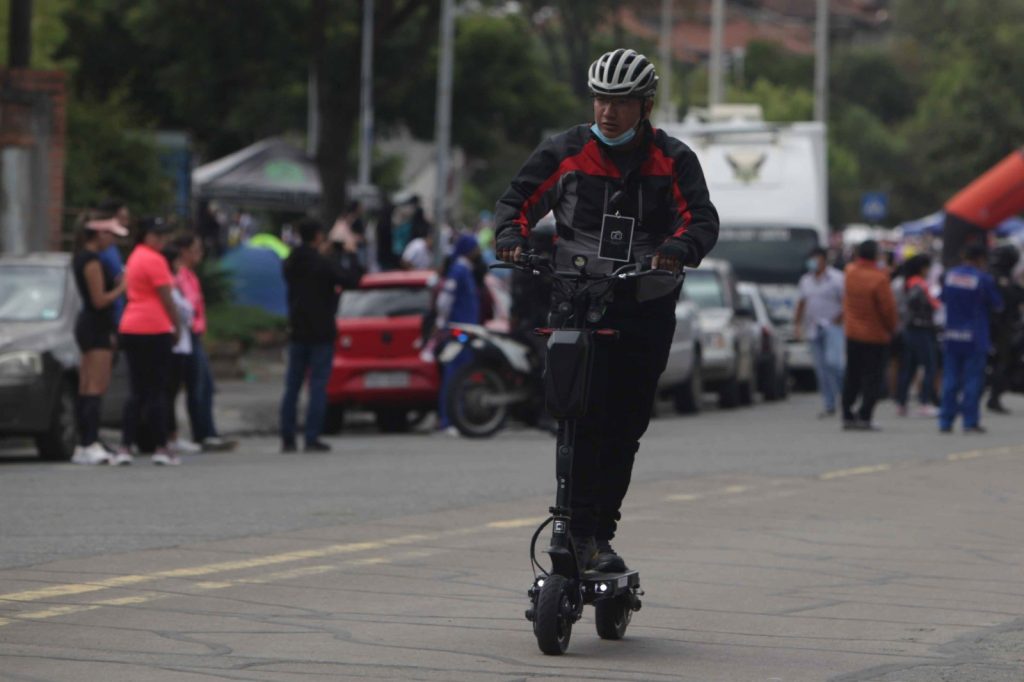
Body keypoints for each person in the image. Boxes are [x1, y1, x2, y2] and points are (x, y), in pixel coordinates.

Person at [494, 48, 719, 573]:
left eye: (620, 102)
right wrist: (510, 237)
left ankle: (598, 533)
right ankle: (571, 528)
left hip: (643, 307)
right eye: (600, 99)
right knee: (577, 418)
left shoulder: (674, 158)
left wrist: (679, 249)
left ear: (645, 106)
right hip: (575, 304)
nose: (608, 112)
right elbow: (517, 202)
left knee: (623, 426)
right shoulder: (564, 152)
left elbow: (701, 221)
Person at [280, 218, 364, 452]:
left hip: (297, 329)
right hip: (321, 332)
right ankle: (311, 436)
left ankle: (287, 437)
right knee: (317, 386)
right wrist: (351, 253)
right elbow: (352, 280)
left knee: (292, 387)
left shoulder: (291, 262)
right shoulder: (323, 264)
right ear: (318, 236)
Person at [117, 218, 181, 465]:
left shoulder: (135, 256)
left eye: (163, 235)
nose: (161, 240)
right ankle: (161, 446)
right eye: (157, 235)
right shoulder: (155, 260)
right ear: (145, 235)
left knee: (136, 391)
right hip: (154, 327)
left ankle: (125, 445)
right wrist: (177, 326)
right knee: (157, 391)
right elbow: (167, 298)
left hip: (131, 325)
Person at [70, 215, 129, 464]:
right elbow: (99, 300)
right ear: (99, 234)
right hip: (96, 327)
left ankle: (87, 441)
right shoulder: (91, 260)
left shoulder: (82, 257)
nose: (113, 241)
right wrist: (122, 287)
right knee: (95, 385)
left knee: (87, 385)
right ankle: (89, 442)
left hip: (91, 325)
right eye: (111, 235)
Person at [173, 233, 235, 451]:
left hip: (196, 333)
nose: (200, 254)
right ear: (184, 251)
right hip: (187, 334)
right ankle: (202, 433)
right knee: (197, 385)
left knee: (205, 385)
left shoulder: (190, 275)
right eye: (196, 249)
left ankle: (209, 431)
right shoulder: (179, 276)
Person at [939, 244, 1003, 433]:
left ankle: (945, 421)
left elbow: (942, 298)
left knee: (950, 379)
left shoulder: (950, 275)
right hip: (975, 336)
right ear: (981, 259)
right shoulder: (983, 279)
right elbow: (998, 304)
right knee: (972, 380)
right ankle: (969, 421)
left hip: (951, 334)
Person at [840, 240, 898, 431]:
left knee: (852, 375)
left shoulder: (849, 272)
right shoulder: (879, 278)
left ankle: (847, 413)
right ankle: (865, 415)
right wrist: (892, 329)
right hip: (875, 336)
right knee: (872, 378)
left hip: (852, 333)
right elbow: (887, 310)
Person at [434, 234, 482, 434]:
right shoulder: (459, 270)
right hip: (458, 331)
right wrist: (441, 323)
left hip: (466, 331)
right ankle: (447, 420)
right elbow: (445, 300)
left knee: (463, 375)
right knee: (454, 375)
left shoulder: (465, 270)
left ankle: (458, 418)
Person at [793, 246, 845, 418]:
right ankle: (829, 403)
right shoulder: (806, 281)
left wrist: (839, 319)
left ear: (824, 259)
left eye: (816, 258)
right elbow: (801, 303)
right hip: (813, 328)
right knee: (821, 369)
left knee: (835, 363)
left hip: (833, 327)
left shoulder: (837, 278)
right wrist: (797, 325)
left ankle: (845, 397)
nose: (813, 262)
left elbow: (847, 301)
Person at [161, 245, 200, 455]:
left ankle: (170, 435)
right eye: (176, 262)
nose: (179, 267)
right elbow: (183, 311)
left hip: (180, 344)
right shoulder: (168, 285)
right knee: (168, 393)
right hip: (174, 344)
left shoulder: (173, 284)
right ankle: (169, 437)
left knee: (172, 393)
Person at [895, 254, 940, 417]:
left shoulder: (907, 283)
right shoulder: (919, 285)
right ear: (922, 268)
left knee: (909, 367)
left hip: (910, 329)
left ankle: (901, 402)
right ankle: (924, 402)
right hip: (921, 329)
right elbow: (929, 304)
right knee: (929, 366)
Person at [986, 244, 1023, 413]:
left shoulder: (992, 274)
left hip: (995, 326)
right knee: (1002, 363)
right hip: (1000, 327)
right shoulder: (999, 278)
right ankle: (992, 396)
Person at [95, 199, 131, 324]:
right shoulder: (103, 251)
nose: (126, 223)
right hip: (106, 318)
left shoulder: (112, 248)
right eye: (122, 218)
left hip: (116, 314)